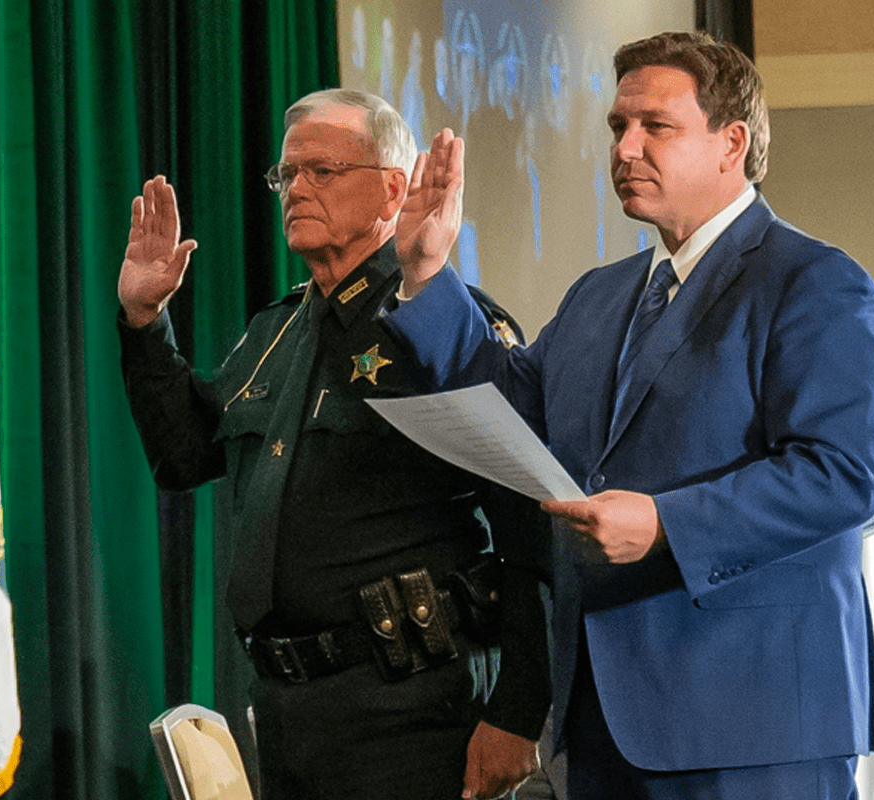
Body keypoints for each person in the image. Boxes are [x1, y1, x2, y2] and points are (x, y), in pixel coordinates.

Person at [385, 31, 874, 800]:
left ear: (733, 142)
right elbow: (514, 410)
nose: (626, 148)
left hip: (754, 725)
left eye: (654, 127)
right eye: (617, 128)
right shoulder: (600, 294)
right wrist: (428, 273)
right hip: (599, 720)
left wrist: (666, 523)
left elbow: (839, 476)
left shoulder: (817, 282)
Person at [116, 89, 549, 800]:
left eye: (321, 170)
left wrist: (518, 713)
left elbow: (527, 522)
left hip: (412, 707)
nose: (296, 190)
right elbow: (186, 456)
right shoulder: (275, 329)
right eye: (287, 176)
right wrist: (144, 320)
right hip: (289, 708)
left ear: (392, 188)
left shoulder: (445, 327)